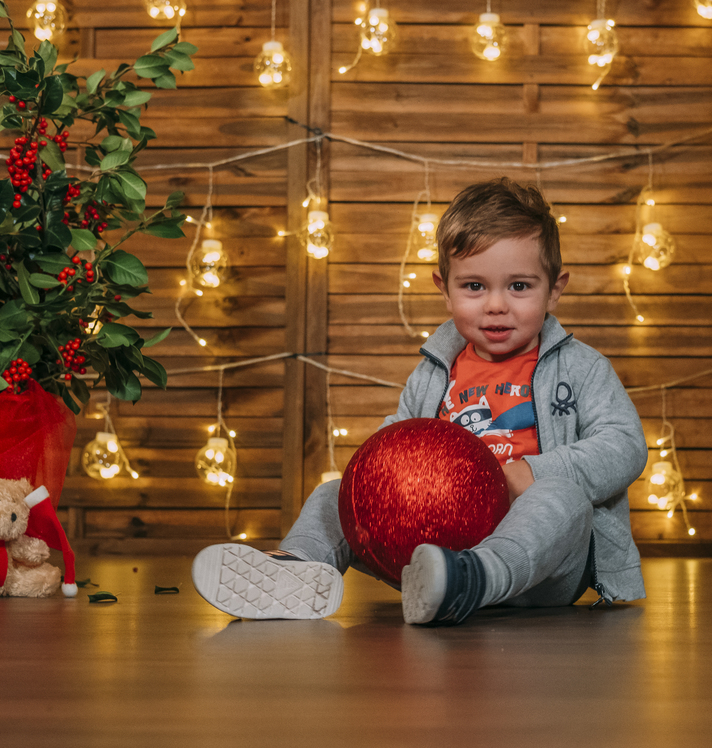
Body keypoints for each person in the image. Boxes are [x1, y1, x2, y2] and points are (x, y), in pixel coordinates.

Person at [191, 177, 649, 626]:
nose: (496, 305)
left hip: (541, 563)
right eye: (474, 286)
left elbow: (625, 445)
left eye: (519, 286)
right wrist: (376, 489)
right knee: (338, 492)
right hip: (434, 548)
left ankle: (477, 576)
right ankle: (295, 572)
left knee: (563, 497)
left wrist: (534, 472)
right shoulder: (434, 373)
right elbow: (393, 446)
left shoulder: (581, 368)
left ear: (555, 288)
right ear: (444, 289)